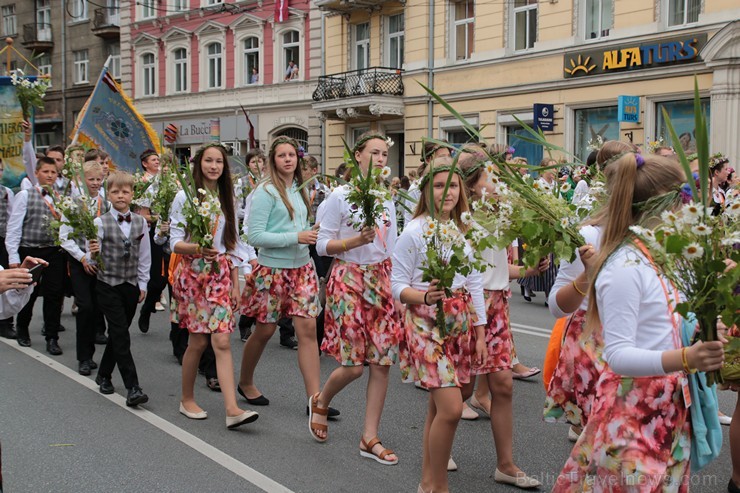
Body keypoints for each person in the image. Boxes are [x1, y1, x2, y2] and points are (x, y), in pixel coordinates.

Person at [553, 153, 726, 491]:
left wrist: (705, 330)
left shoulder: (658, 256)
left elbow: (666, 325)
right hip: (631, 409)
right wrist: (686, 359)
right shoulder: (624, 267)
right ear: (666, 208)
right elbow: (617, 355)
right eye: (684, 202)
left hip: (667, 401)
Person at [391, 158, 486, 493]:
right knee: (451, 408)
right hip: (425, 321)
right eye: (439, 186)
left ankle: (427, 483)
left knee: (439, 405)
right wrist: (424, 296)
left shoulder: (464, 229)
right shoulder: (414, 231)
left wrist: (481, 331)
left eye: (454, 186)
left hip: (459, 319)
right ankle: (440, 487)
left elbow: (474, 281)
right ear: (426, 190)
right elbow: (397, 286)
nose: (447, 193)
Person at [309, 133, 399, 463]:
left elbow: (392, 245)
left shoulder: (386, 196)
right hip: (347, 276)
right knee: (353, 366)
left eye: (384, 154)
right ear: (358, 156)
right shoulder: (339, 196)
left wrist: (399, 290)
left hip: (382, 277)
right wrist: (354, 241)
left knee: (381, 362)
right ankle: (320, 399)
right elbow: (321, 245)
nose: (380, 158)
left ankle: (369, 436)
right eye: (373, 152)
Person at [459, 148, 542, 489]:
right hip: (466, 304)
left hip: (497, 305)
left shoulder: (500, 214)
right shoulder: (461, 219)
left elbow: (497, 268)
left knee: (503, 385)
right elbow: (465, 271)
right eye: (491, 177)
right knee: (457, 387)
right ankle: (437, 447)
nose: (498, 183)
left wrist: (527, 270)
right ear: (473, 184)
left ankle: (505, 464)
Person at [170, 143, 259, 429]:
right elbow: (174, 241)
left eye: (219, 161)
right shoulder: (185, 196)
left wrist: (236, 281)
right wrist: (197, 247)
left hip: (221, 273)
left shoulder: (227, 195)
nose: (214, 166)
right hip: (194, 275)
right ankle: (186, 399)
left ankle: (232, 409)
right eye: (208, 160)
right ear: (199, 164)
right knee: (197, 342)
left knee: (221, 340)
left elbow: (231, 242)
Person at [238, 136, 322, 411]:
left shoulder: (299, 187)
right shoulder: (265, 191)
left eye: (291, 155)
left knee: (308, 329)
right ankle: (246, 381)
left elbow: (301, 229)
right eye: (281, 155)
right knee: (265, 330)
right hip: (272, 270)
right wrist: (295, 236)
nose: (288, 159)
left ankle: (315, 400)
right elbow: (255, 236)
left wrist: (311, 232)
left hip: (302, 269)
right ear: (272, 160)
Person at [90, 171, 151, 407]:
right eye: (115, 191)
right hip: (107, 285)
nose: (120, 195)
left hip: (130, 285)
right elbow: (93, 260)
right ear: (109, 194)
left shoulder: (140, 222)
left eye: (125, 191)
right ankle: (132, 387)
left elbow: (144, 256)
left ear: (132, 194)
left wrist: (143, 283)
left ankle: (104, 374)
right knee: (121, 334)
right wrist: (92, 253)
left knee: (119, 333)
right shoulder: (100, 222)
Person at [6, 157, 66, 354]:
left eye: (53, 172)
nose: (49, 175)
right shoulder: (25, 195)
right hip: (31, 250)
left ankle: (52, 337)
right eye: (46, 172)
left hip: (54, 251)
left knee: (54, 294)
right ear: (37, 173)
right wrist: (14, 259)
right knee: (28, 293)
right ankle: (23, 328)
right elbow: (14, 229)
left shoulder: (61, 197)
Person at [59, 161, 109, 375]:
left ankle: (89, 352)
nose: (96, 183)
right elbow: (64, 237)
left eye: (99, 179)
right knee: (85, 307)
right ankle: (83, 357)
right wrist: (82, 258)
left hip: (99, 263)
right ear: (82, 179)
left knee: (97, 309)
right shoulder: (72, 203)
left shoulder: (105, 203)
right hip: (80, 263)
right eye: (91, 179)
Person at [135, 149, 169, 332]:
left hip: (172, 233)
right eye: (153, 160)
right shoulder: (144, 183)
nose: (157, 162)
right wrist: (159, 219)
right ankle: (147, 308)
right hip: (152, 234)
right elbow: (142, 216)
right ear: (145, 164)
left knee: (171, 278)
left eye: (159, 160)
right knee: (157, 279)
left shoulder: (170, 183)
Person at [403, 141, 451, 226]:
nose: (448, 161)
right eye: (442, 157)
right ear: (428, 160)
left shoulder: (452, 184)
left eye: (449, 156)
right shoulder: (417, 188)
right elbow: (409, 221)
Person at [0, 159, 16, 340]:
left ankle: (6, 323)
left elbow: (12, 220)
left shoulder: (7, 192)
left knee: (6, 281)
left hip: (2, 240)